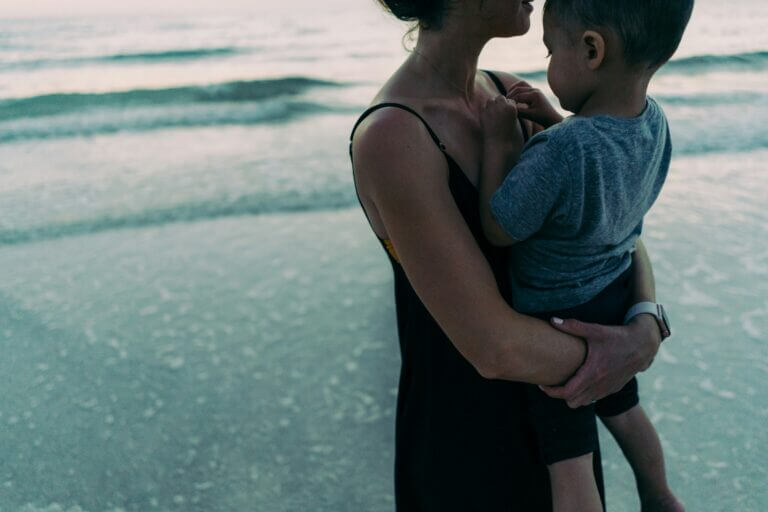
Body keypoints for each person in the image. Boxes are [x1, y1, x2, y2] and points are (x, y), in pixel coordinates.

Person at [349, 0, 666, 509]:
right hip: (470, 450)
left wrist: (646, 320)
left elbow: (605, 227)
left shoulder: (509, 94)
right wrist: (621, 351)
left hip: (563, 412)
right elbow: (495, 350)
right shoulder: (393, 136)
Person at [476, 1, 694, 511]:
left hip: (560, 322)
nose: (548, 64)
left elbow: (499, 226)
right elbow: (600, 175)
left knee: (569, 460)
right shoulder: (652, 121)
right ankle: (659, 496)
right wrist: (552, 119)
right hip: (614, 295)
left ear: (592, 50)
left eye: (552, 50)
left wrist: (495, 143)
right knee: (626, 413)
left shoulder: (561, 150)